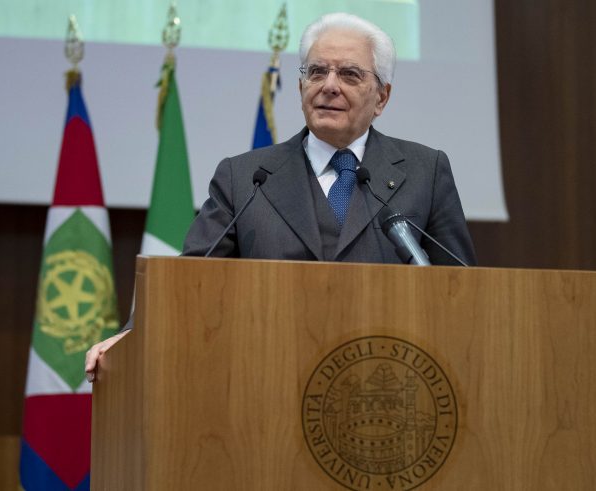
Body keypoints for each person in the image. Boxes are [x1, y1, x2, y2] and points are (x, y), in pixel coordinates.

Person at [85, 12, 476, 381]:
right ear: (301, 86)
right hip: (268, 377)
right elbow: (189, 280)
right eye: (317, 71)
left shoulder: (425, 171)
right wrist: (134, 332)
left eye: (349, 74)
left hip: (388, 377)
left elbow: (461, 291)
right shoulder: (244, 177)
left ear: (382, 97)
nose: (329, 85)